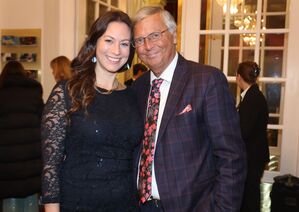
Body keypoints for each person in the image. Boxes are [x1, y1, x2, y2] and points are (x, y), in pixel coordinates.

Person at [132, 6, 247, 212]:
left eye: (155, 35)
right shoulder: (138, 88)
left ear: (174, 36)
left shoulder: (206, 80)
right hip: (142, 207)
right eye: (140, 40)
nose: (147, 46)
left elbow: (231, 157)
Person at [40, 10, 143, 212]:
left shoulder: (132, 97)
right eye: (109, 40)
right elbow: (50, 167)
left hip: (126, 205)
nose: (116, 50)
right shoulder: (68, 91)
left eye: (124, 44)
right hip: (78, 204)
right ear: (94, 42)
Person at [0, 61, 44, 211]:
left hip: (6, 157)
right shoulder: (33, 91)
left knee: (9, 197)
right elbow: (43, 120)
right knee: (31, 197)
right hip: (31, 154)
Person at [236, 61, 270, 212]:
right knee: (249, 194)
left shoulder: (253, 98)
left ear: (238, 77)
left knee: (250, 196)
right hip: (253, 155)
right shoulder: (253, 95)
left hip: (253, 156)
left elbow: (244, 131)